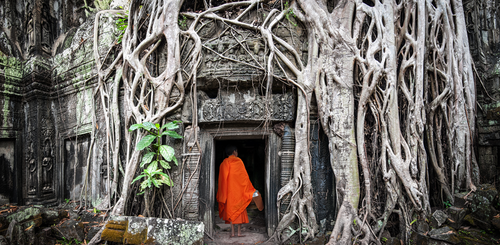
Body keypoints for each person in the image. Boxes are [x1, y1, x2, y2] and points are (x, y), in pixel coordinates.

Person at [216, 146, 257, 237]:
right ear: (234, 152)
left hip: (228, 193)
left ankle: (232, 233)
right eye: (237, 151)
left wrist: (223, 194)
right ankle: (238, 233)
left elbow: (222, 181)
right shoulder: (238, 161)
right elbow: (244, 178)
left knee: (231, 211)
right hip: (238, 193)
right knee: (240, 210)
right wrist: (250, 189)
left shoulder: (223, 164)